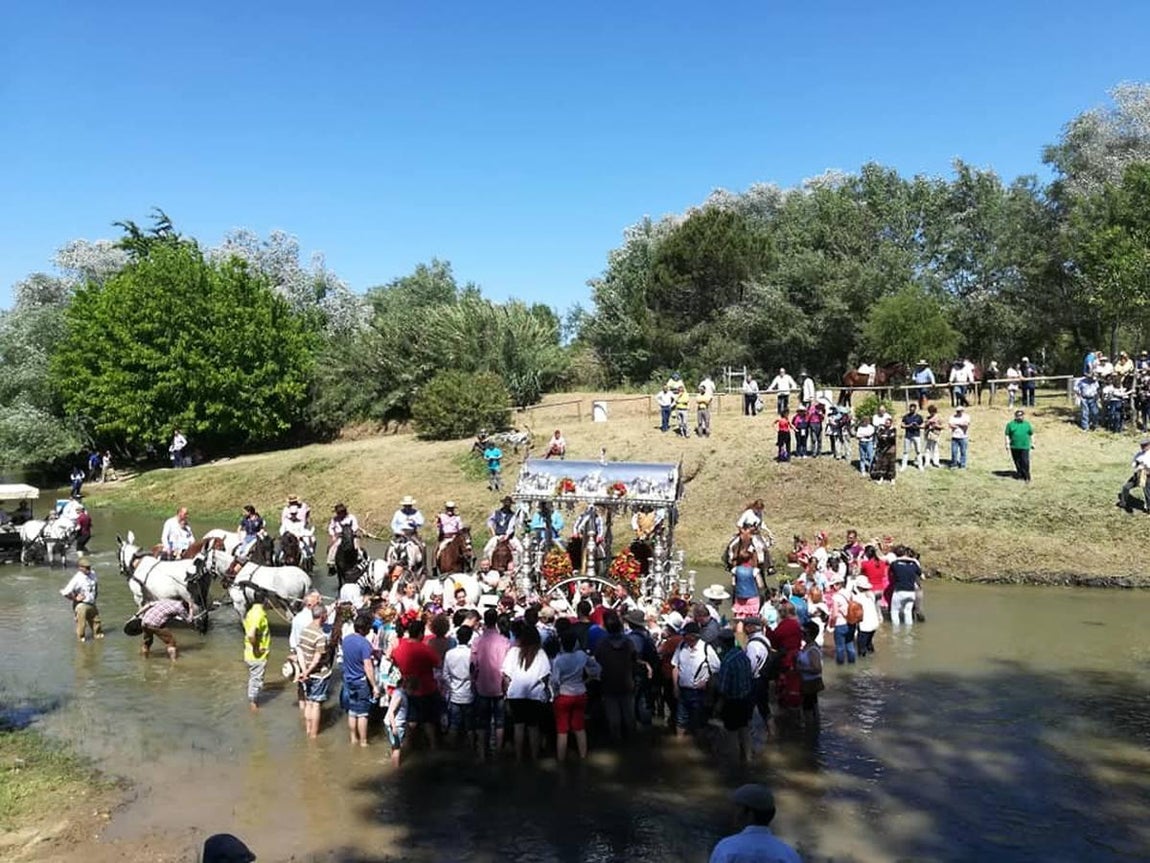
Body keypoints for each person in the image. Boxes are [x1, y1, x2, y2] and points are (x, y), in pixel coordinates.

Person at [708, 784, 801, 863]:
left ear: (750, 814)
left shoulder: (727, 848)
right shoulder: (789, 855)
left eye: (737, 808)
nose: (733, 813)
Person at [501, 624, 552, 761]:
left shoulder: (513, 652)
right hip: (535, 695)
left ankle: (518, 758)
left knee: (519, 726)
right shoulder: (541, 653)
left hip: (515, 695)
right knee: (533, 727)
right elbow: (546, 676)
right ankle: (535, 758)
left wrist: (506, 694)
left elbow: (506, 676)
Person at [392, 618, 442, 750]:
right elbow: (438, 664)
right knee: (429, 720)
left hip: (407, 688)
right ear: (421, 634)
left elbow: (395, 662)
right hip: (427, 688)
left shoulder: (399, 648)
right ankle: (433, 747)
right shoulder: (426, 649)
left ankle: (407, 747)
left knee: (411, 720)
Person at [671, 621, 720, 737]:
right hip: (683, 690)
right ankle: (680, 744)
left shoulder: (706, 649)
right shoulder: (681, 646)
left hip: (699, 693)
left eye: (686, 635)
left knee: (698, 722)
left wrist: (707, 683)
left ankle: (698, 745)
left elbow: (717, 669)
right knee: (680, 719)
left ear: (694, 637)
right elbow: (675, 667)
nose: (683, 637)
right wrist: (675, 687)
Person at [341, 612, 380, 746]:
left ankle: (353, 738)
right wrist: (374, 686)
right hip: (361, 681)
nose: (370, 630)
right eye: (369, 627)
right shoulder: (365, 644)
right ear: (364, 629)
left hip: (348, 679)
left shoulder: (346, 640)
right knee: (362, 713)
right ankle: (363, 741)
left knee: (352, 711)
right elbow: (368, 666)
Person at [715, 629, 754, 762]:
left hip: (732, 702)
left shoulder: (727, 661)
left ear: (723, 643)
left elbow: (723, 688)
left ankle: (734, 763)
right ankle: (748, 759)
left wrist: (718, 705)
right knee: (745, 729)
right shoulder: (743, 655)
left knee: (731, 732)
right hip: (746, 699)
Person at [295, 605, 332, 738]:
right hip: (319, 674)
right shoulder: (321, 636)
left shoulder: (305, 630)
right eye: (326, 615)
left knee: (308, 702)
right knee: (316, 704)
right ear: (322, 616)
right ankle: (314, 735)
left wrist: (304, 671)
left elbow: (299, 651)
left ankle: (308, 730)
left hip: (306, 673)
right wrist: (308, 671)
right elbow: (317, 658)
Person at [60, 556, 103, 643]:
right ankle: (81, 643)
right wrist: (75, 598)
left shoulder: (93, 574)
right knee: (82, 625)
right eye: (86, 568)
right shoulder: (77, 578)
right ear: (80, 568)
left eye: (89, 567)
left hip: (92, 603)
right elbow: (65, 592)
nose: (88, 569)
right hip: (81, 605)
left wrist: (95, 596)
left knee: (97, 623)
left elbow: (96, 585)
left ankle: (98, 640)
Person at [243, 590, 271, 710]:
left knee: (254, 678)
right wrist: (257, 649)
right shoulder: (258, 614)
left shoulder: (252, 611)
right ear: (265, 600)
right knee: (256, 680)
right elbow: (251, 635)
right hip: (256, 655)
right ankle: (253, 705)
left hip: (250, 653)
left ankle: (253, 701)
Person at [794, 622, 824, 727]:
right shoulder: (808, 646)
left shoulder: (813, 650)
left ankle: (810, 733)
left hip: (811, 683)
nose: (801, 635)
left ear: (810, 634)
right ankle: (813, 730)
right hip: (807, 682)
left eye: (804, 633)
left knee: (808, 709)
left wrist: (800, 668)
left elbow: (817, 669)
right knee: (812, 707)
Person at [889, 547, 922, 626]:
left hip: (899, 591)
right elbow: (920, 574)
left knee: (895, 611)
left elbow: (891, 572)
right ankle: (909, 634)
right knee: (908, 613)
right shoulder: (914, 564)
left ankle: (895, 633)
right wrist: (913, 560)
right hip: (911, 592)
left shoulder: (895, 564)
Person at [1118, 438, 1150, 514]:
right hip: (1138, 475)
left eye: (1145, 445)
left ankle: (1149, 508)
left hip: (1147, 476)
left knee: (1147, 492)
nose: (1143, 447)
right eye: (1142, 445)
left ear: (1149, 445)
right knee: (1126, 487)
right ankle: (1123, 503)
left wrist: (1146, 468)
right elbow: (1133, 464)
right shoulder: (1138, 454)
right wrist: (1137, 464)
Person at [326, 502, 361, 571]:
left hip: (351, 535)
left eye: (340, 512)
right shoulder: (335, 519)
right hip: (340, 537)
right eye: (338, 512)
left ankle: (360, 558)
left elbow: (355, 526)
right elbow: (331, 528)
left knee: (356, 545)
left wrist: (351, 532)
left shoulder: (351, 517)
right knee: (334, 547)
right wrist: (333, 535)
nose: (339, 514)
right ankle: (331, 563)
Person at [1004, 409, 1035, 483]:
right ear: (1015, 416)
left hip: (1025, 446)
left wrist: (1033, 443)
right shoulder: (1010, 424)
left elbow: (1031, 434)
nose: (1020, 417)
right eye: (1018, 416)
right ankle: (1020, 473)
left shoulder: (1027, 424)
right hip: (1014, 446)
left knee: (1025, 461)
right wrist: (1007, 444)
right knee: (1017, 461)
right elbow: (1007, 435)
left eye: (1021, 416)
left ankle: (1027, 476)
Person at [900, 402, 924, 471]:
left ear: (915, 409)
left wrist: (918, 426)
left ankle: (920, 465)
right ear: (909, 409)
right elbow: (902, 425)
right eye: (910, 409)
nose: (911, 410)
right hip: (908, 435)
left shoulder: (919, 417)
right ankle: (904, 465)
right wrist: (909, 425)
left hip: (916, 435)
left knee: (918, 451)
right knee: (906, 451)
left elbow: (923, 425)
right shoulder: (906, 416)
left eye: (913, 409)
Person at [923, 404, 943, 468]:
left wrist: (936, 426)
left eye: (933, 412)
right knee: (927, 448)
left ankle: (936, 462)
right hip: (928, 434)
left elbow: (943, 426)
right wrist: (928, 423)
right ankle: (927, 462)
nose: (931, 413)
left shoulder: (938, 418)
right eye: (930, 412)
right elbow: (924, 426)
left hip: (935, 434)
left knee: (935, 448)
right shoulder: (927, 418)